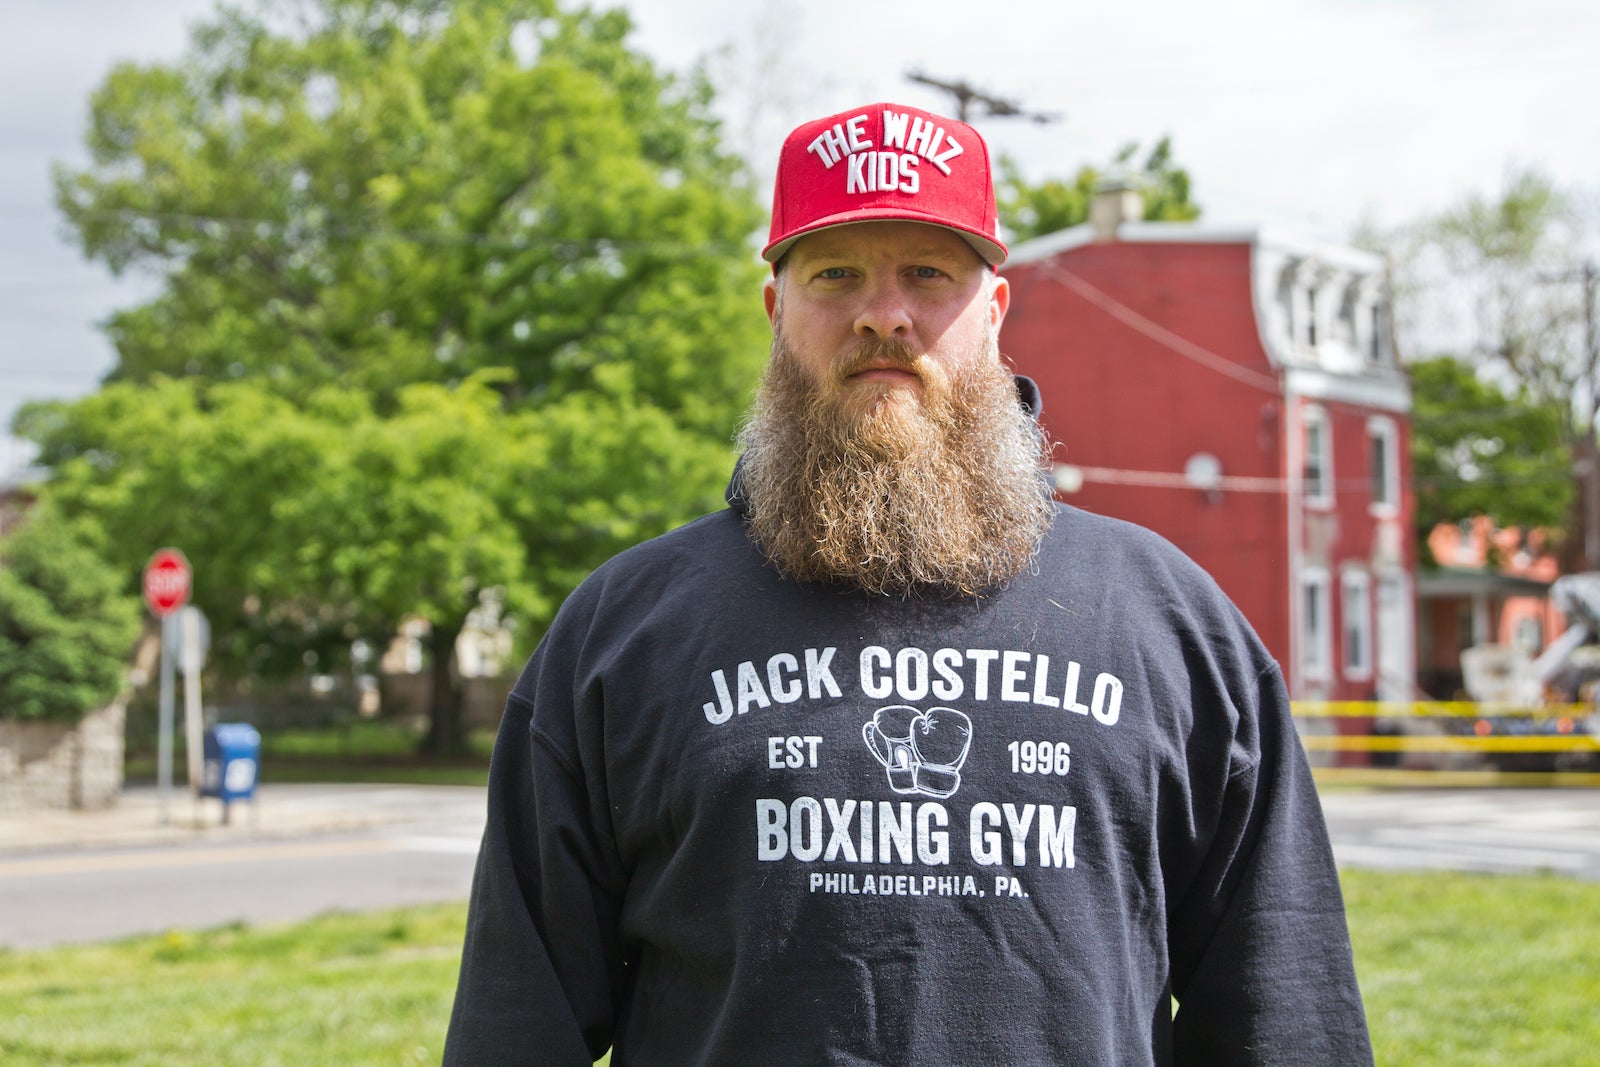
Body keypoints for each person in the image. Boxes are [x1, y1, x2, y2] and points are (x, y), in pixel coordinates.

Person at [443, 101, 1373, 1066]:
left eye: (929, 273)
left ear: (997, 310)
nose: (885, 312)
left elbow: (1287, 1020)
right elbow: (516, 1025)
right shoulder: (624, 632)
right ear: (777, 310)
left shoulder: (1168, 626)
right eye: (835, 272)